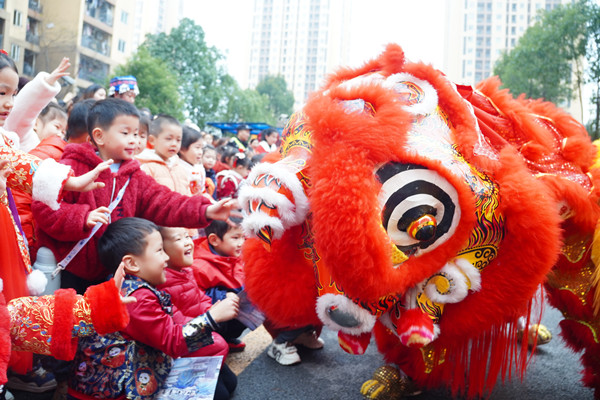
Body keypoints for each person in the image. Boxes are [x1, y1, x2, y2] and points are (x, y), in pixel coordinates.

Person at [32, 98, 239, 294]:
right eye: (126, 133)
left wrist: (206, 210)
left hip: (113, 269)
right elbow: (44, 207)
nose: (134, 140)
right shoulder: (71, 166)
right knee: (69, 320)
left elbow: (166, 202)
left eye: (137, 134)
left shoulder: (134, 176)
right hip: (69, 268)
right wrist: (82, 217)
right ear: (99, 136)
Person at [68, 218, 238, 400]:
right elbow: (173, 342)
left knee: (227, 381)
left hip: (138, 368)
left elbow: (174, 323)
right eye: (159, 251)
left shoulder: (136, 285)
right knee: (218, 393)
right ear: (132, 263)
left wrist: (210, 315)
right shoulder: (136, 298)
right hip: (114, 391)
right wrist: (212, 317)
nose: (166, 257)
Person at [156, 226, 239, 364]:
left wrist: (212, 309)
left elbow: (200, 298)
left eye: (187, 236)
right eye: (179, 238)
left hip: (200, 325)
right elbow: (178, 323)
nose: (188, 242)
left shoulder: (185, 271)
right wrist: (210, 318)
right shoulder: (163, 282)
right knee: (218, 345)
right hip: (189, 336)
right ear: (161, 250)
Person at [192, 219, 247, 352]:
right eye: (235, 238)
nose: (242, 243)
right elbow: (194, 298)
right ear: (214, 240)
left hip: (233, 304)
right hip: (214, 313)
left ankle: (227, 339)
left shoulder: (233, 254)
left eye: (244, 237)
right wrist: (222, 296)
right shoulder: (200, 266)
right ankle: (219, 339)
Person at [4, 57, 70, 152]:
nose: (60, 134)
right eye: (57, 127)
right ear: (36, 123)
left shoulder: (58, 151)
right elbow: (22, 111)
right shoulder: (23, 136)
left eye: (63, 132)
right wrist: (47, 83)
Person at [179, 125, 208, 197]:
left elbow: (202, 192)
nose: (200, 152)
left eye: (201, 148)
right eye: (197, 147)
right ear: (182, 149)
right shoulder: (177, 169)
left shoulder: (199, 168)